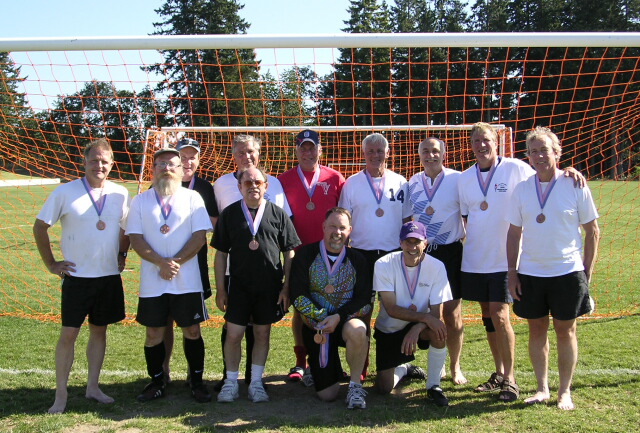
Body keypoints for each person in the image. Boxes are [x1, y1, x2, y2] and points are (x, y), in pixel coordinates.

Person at [458, 122, 584, 403]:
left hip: (508, 260)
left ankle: (511, 379)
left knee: (501, 315)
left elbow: (547, 172)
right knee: (489, 317)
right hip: (477, 260)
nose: (481, 145)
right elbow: (467, 218)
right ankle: (499, 372)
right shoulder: (464, 179)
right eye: (476, 140)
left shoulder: (516, 167)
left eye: (486, 140)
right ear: (471, 145)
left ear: (496, 142)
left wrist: (569, 172)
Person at [33, 138, 129, 414]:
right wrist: (51, 264)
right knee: (69, 334)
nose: (99, 165)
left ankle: (92, 387)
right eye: (94, 160)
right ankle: (60, 395)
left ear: (111, 164)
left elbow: (126, 229)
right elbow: (40, 228)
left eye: (104, 161)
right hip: (76, 277)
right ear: (84, 162)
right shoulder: (66, 192)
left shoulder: (120, 193)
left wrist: (122, 255)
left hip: (109, 277)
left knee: (99, 332)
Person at [506, 127, 600, 410]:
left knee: (565, 331)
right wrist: (512, 273)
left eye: (544, 150)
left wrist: (586, 274)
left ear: (556, 153)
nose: (538, 156)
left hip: (567, 272)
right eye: (533, 152)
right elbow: (513, 233)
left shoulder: (575, 184)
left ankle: (564, 391)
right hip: (531, 272)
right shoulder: (522, 189)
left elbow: (593, 231)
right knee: (536, 330)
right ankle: (542, 388)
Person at [126, 147, 213, 403]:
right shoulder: (141, 200)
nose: (167, 169)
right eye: (161, 164)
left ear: (180, 169)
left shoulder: (193, 197)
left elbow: (199, 237)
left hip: (187, 280)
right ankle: (156, 381)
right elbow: (135, 238)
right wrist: (160, 263)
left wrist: (173, 262)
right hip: (153, 281)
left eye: (172, 165)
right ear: (153, 169)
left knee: (192, 331)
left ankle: (196, 382)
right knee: (154, 333)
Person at [213, 166, 300, 403]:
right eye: (247, 183)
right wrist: (221, 289)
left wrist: (286, 287)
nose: (253, 186)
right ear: (239, 187)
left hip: (269, 286)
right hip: (238, 286)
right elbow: (220, 254)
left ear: (266, 186)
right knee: (234, 334)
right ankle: (231, 382)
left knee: (262, 333)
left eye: (258, 182)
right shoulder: (230, 214)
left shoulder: (278, 214)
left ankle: (255, 383)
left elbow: (289, 252)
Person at [338, 132, 413, 378]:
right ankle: (363, 365)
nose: (375, 155)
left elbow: (407, 221)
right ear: (363, 154)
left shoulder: (401, 182)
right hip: (361, 255)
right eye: (370, 151)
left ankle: (394, 362)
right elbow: (345, 222)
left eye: (380, 151)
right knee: (363, 311)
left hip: (392, 255)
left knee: (393, 310)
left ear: (388, 154)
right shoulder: (351, 184)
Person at [279, 129, 345, 382]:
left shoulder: (335, 177)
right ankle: (300, 361)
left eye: (312, 147)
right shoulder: (283, 180)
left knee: (333, 304)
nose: (307, 152)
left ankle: (332, 360)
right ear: (296, 150)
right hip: (298, 255)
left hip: (331, 255)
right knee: (300, 308)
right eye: (302, 147)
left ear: (320, 149)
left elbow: (345, 218)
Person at [289, 207, 371, 409]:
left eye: (342, 227)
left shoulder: (358, 260)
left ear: (350, 230)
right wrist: (323, 317)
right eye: (333, 226)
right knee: (328, 395)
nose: (337, 232)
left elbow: (365, 300)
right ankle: (316, 371)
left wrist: (339, 318)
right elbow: (298, 295)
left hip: (344, 323)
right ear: (324, 227)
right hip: (318, 327)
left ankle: (355, 386)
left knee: (358, 330)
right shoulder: (306, 255)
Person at [373, 221, 452, 407]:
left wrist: (417, 327)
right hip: (389, 327)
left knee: (438, 330)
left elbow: (436, 314)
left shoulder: (437, 266)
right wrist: (424, 318)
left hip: (420, 326)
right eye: (408, 242)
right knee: (383, 388)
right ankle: (403, 369)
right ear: (400, 243)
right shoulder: (383, 264)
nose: (413, 247)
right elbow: (391, 308)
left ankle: (434, 386)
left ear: (425, 243)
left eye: (417, 242)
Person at [408, 137, 467, 385]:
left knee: (452, 314)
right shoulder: (412, 182)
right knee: (428, 312)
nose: (430, 155)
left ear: (443, 154)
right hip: (422, 255)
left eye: (435, 151)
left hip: (450, 252)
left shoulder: (457, 179)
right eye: (425, 151)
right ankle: (437, 363)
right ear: (419, 154)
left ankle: (455, 367)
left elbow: (468, 214)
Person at [162, 137, 219, 382]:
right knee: (163, 322)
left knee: (191, 325)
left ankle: (193, 377)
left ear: (198, 159)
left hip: (194, 266)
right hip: (163, 267)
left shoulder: (205, 188)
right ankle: (162, 371)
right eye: (182, 157)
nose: (187, 162)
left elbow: (215, 226)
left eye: (192, 157)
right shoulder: (159, 186)